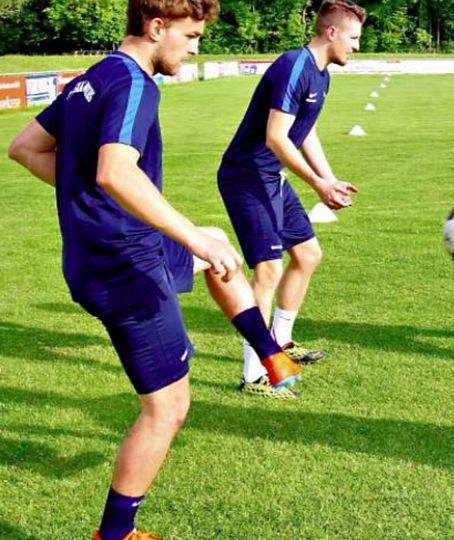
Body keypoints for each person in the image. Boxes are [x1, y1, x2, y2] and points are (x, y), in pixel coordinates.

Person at [6, 1, 304, 537]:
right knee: (167, 408)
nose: (194, 49)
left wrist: (95, 194)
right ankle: (116, 533)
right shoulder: (135, 84)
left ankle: (269, 354)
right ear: (156, 26)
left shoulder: (90, 78)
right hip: (123, 267)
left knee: (218, 242)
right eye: (190, 36)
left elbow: (24, 148)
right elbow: (116, 171)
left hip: (107, 250)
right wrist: (182, 234)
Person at [217, 0, 365, 392]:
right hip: (247, 177)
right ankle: (255, 373)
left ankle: (280, 343)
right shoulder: (294, 66)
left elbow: (304, 130)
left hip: (271, 177)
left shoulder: (322, 75)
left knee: (308, 254)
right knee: (267, 271)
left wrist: (328, 177)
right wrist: (318, 185)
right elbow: (275, 137)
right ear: (331, 32)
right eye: (353, 37)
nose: (357, 46)